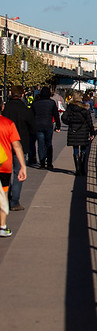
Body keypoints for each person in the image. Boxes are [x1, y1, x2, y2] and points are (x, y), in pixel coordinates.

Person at [2, 86, 36, 210]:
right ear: (22, 95)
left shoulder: (6, 109)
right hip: (21, 144)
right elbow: (33, 127)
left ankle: (5, 196)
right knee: (18, 172)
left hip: (5, 144)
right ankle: (14, 201)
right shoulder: (25, 110)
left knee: (5, 173)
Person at [0, 101, 28, 237]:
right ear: (2, 107)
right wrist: (23, 166)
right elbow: (17, 145)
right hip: (4, 165)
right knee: (3, 195)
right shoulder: (8, 123)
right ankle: (2, 225)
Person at [61, 91, 94, 175]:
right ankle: (82, 169)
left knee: (75, 149)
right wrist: (92, 132)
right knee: (83, 149)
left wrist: (70, 122)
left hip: (73, 131)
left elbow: (64, 117)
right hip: (84, 131)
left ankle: (78, 170)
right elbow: (89, 121)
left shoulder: (70, 108)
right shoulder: (85, 108)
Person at [31, 86, 62, 171]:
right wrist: (58, 126)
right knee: (48, 143)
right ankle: (49, 163)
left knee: (40, 144)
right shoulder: (51, 103)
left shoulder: (35, 103)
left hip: (38, 125)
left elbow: (31, 115)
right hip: (48, 125)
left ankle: (42, 163)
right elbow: (56, 115)